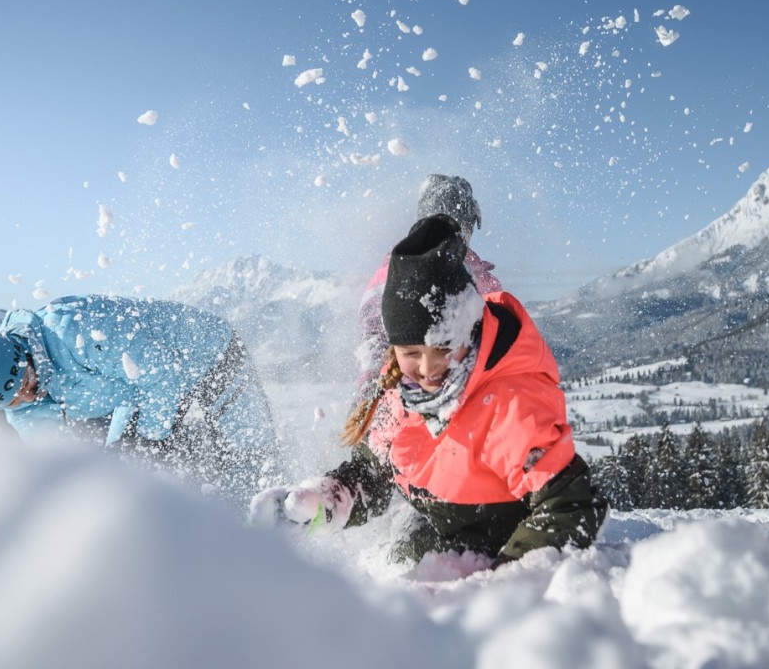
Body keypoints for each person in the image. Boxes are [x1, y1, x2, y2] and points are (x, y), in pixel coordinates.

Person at [251, 215, 608, 568]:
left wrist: (504, 585)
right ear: (393, 350)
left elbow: (569, 506)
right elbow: (373, 473)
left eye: (443, 348)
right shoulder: (400, 395)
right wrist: (322, 503)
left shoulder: (507, 403)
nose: (426, 369)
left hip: (505, 550)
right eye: (410, 353)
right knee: (400, 558)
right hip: (449, 538)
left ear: (469, 330)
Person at [0, 294, 280, 505]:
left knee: (251, 454)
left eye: (26, 380)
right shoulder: (25, 406)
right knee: (126, 474)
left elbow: (164, 374)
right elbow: (57, 464)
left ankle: (280, 516)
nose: (30, 395)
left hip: (207, 355)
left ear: (22, 354)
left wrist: (150, 438)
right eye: (14, 400)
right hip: (139, 393)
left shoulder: (73, 330)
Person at [351, 175, 502, 421]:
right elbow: (374, 339)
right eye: (453, 224)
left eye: (465, 227)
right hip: (409, 403)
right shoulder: (400, 271)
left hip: (472, 401)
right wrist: (371, 398)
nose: (459, 235)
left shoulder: (479, 276)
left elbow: (499, 338)